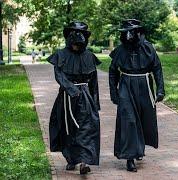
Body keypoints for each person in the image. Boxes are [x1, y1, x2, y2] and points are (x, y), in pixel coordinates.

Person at [109, 19, 165, 172]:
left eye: (131, 32)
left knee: (143, 118)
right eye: (126, 32)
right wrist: (114, 92)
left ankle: (139, 148)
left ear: (138, 32)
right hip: (126, 85)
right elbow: (113, 72)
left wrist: (160, 90)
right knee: (129, 120)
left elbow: (157, 69)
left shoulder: (148, 48)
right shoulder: (120, 51)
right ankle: (130, 157)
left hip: (145, 85)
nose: (129, 35)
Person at [47, 21, 101, 174]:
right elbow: (59, 75)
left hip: (85, 97)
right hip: (66, 97)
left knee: (86, 128)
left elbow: (94, 82)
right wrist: (72, 90)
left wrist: (95, 102)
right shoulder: (61, 55)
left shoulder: (89, 56)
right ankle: (71, 158)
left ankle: (84, 162)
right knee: (68, 128)